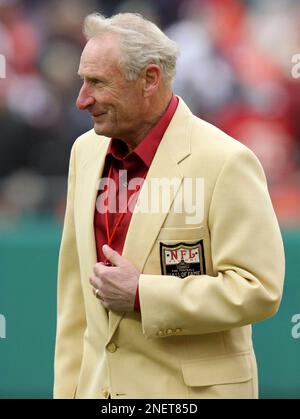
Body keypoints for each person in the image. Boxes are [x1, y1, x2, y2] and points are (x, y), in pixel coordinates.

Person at [53, 12, 285, 399]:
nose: (81, 100)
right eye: (82, 80)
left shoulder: (226, 161)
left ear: (149, 79)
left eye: (97, 83)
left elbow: (259, 288)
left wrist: (144, 294)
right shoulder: (85, 151)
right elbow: (74, 305)